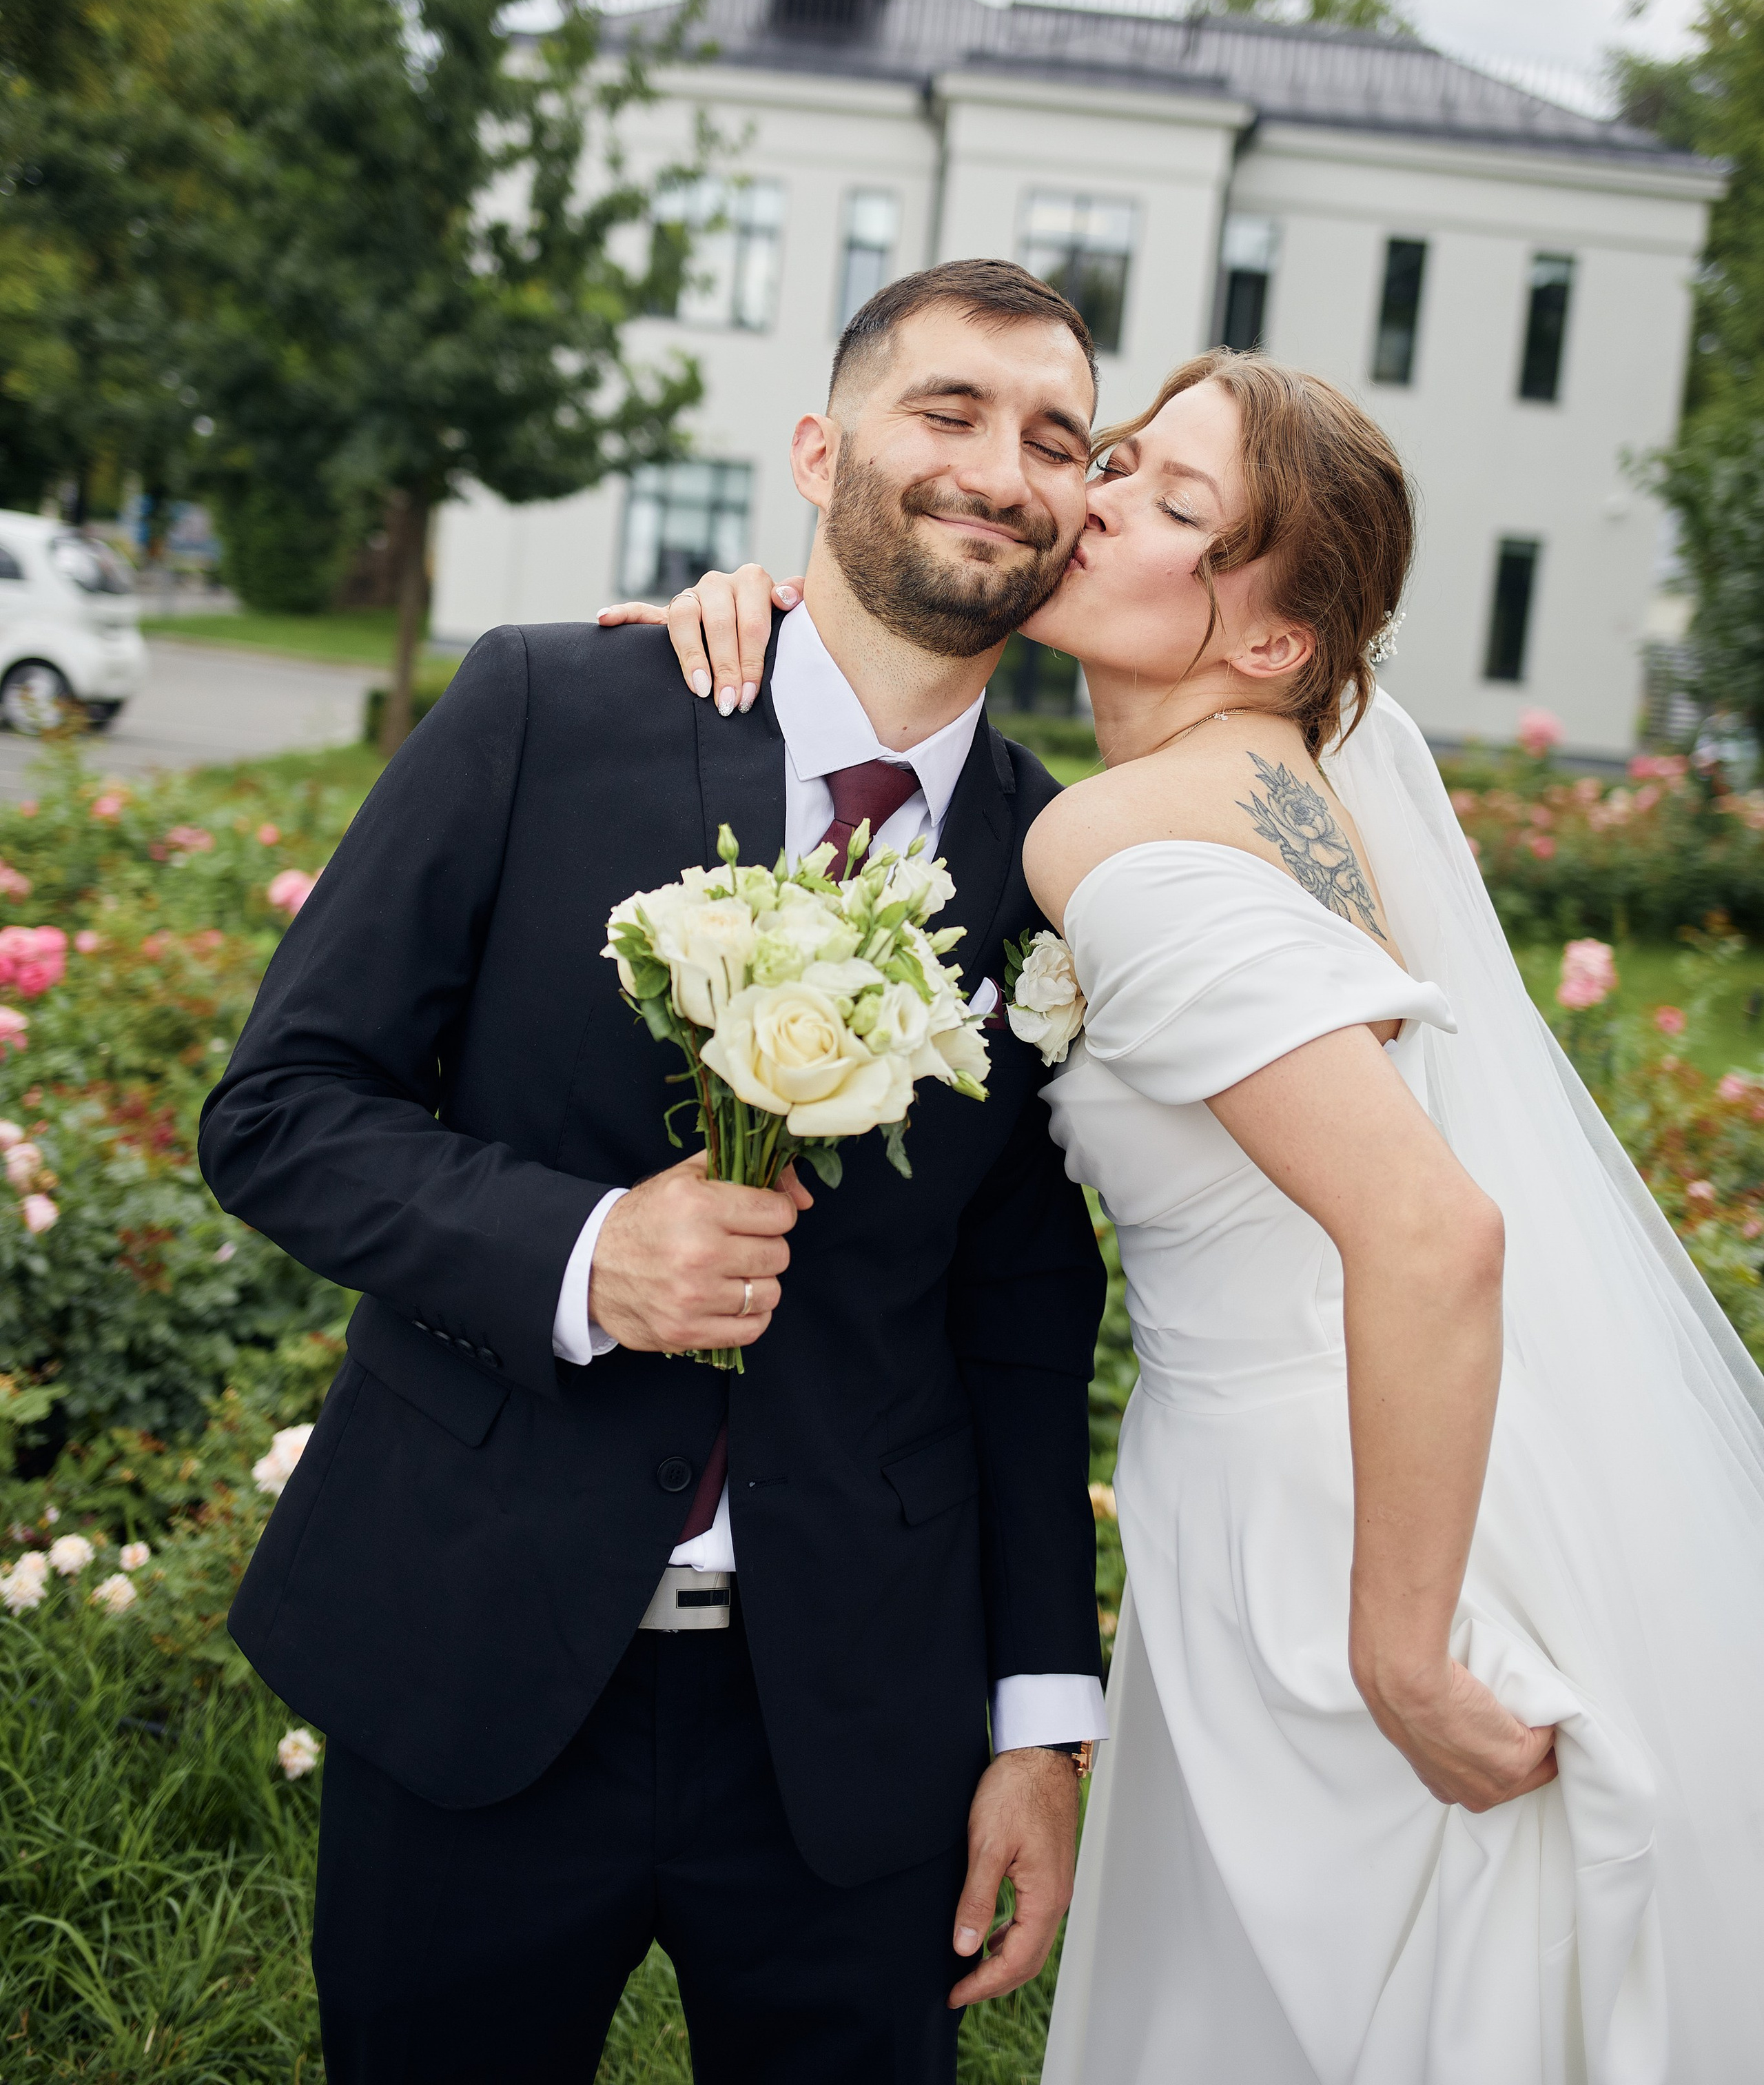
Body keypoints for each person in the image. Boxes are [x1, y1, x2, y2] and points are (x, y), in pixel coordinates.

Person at [622, 346, 1764, 2083]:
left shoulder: (1119, 839)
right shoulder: (1304, 792)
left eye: (1177, 507)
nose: (1094, 501)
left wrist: (1400, 1660)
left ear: (1270, 642)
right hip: (1410, 1456)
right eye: (1126, 458)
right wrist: (770, 609)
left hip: (1315, 1527)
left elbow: (1429, 1231)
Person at [197, 259, 1115, 2085]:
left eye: (1056, 439)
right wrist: (579, 1251)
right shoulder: (549, 706)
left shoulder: (1067, 862)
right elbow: (284, 1104)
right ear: (816, 448)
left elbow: (1021, 1326)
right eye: (947, 411)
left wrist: (1039, 1723)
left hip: (856, 1718)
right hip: (475, 1653)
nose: (1002, 469)